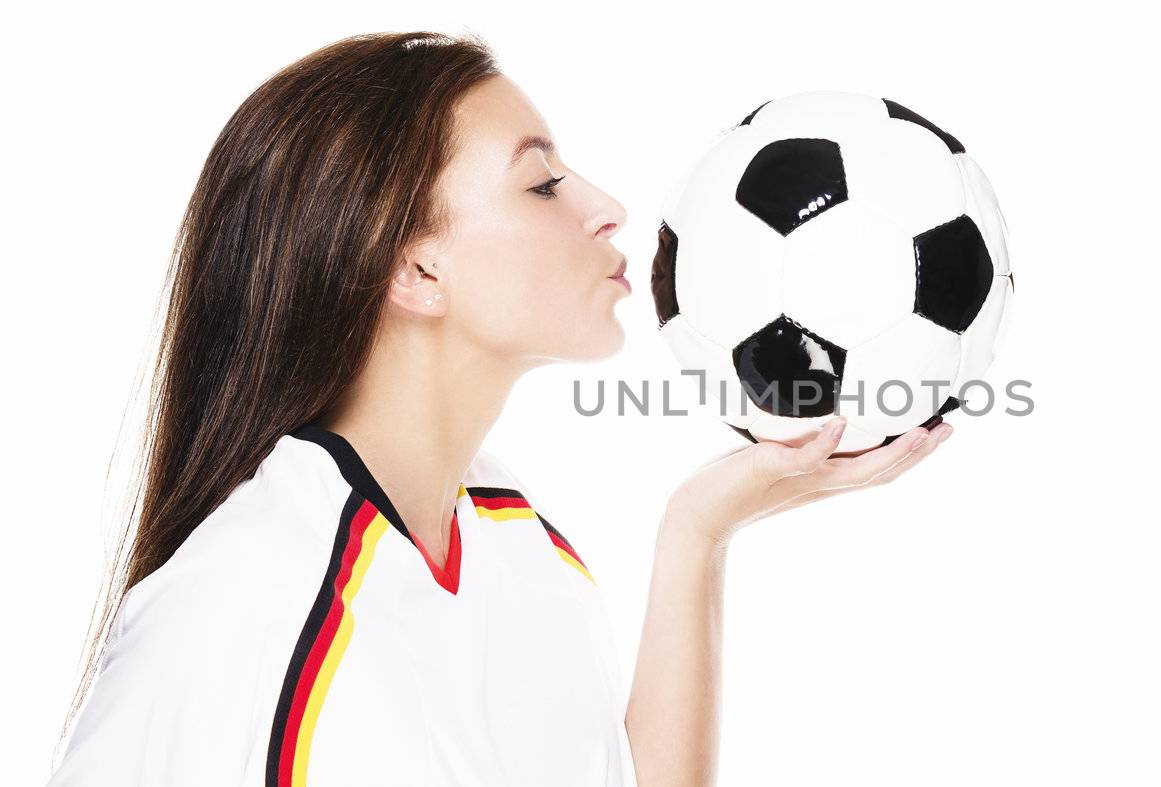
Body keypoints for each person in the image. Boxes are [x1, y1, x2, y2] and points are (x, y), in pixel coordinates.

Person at [47, 31, 953, 787]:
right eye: (543, 184)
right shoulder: (242, 611)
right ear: (414, 268)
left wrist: (700, 534)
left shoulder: (515, 538)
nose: (608, 208)